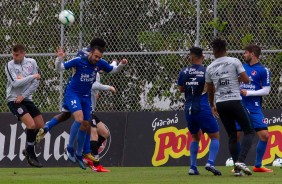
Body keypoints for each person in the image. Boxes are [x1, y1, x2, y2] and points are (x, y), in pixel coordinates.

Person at [55, 38, 127, 169]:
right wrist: (59, 58)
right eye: (96, 56)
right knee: (79, 118)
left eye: (99, 57)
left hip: (86, 96)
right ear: (90, 53)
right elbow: (59, 68)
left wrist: (121, 64)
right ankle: (70, 148)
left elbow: (113, 70)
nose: (97, 59)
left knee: (85, 124)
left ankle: (79, 153)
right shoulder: (78, 60)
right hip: (74, 93)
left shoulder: (100, 63)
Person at [205, 38, 255, 176]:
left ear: (214, 51)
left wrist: (212, 105)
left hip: (221, 104)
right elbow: (246, 79)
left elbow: (210, 90)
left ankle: (237, 170)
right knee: (249, 131)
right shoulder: (234, 61)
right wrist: (236, 78)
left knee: (232, 135)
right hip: (235, 101)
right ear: (225, 49)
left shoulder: (209, 67)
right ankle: (241, 161)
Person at [178, 47, 221, 176]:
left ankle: (192, 167)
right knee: (215, 135)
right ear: (202, 57)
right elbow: (211, 88)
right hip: (202, 107)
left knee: (195, 137)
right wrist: (213, 105)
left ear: (191, 57)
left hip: (189, 109)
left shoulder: (184, 71)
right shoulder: (207, 70)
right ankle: (210, 162)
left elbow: (181, 89)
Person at [5, 44, 44, 167]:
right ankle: (31, 155)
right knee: (31, 125)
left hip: (26, 98)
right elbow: (15, 84)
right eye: (13, 54)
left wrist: (24, 95)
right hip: (14, 100)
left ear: (23, 53)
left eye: (17, 55)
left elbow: (36, 83)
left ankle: (28, 149)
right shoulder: (9, 65)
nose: (14, 57)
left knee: (40, 125)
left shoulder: (32, 62)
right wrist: (32, 76)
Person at [236, 44, 272, 172]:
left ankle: (257, 165)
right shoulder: (240, 67)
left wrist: (249, 93)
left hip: (255, 107)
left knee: (264, 135)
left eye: (245, 52)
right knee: (236, 135)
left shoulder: (264, 70)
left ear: (252, 54)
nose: (244, 55)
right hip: (239, 106)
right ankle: (237, 165)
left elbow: (267, 90)